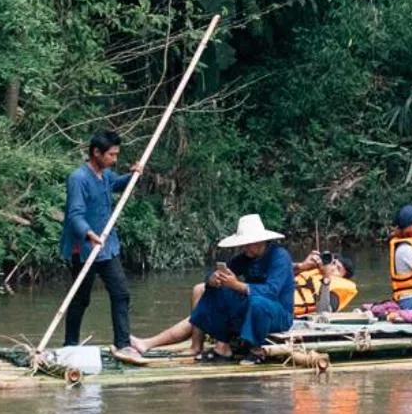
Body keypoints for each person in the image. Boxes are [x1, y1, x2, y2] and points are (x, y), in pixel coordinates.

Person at [131, 214, 293, 360]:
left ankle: (254, 349)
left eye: (248, 245)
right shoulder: (246, 257)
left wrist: (237, 285)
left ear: (259, 241)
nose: (245, 249)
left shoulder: (279, 257)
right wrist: (212, 280)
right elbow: (216, 274)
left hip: (277, 312)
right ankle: (221, 345)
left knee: (257, 302)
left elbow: (271, 292)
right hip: (253, 306)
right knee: (216, 289)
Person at [62, 129, 148, 364]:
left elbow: (116, 184)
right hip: (86, 248)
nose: (114, 159)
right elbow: (75, 214)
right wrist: (89, 234)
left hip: (107, 247)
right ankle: (69, 345)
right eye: (111, 155)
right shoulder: (78, 178)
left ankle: (122, 344)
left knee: (121, 293)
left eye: (116, 154)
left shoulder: (105, 174)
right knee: (81, 299)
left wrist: (133, 175)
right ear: (96, 153)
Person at [294, 250, 359, 318]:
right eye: (333, 263)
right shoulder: (311, 271)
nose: (333, 268)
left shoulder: (338, 286)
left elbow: (324, 311)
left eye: (338, 269)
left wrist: (326, 279)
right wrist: (300, 266)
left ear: (342, 278)